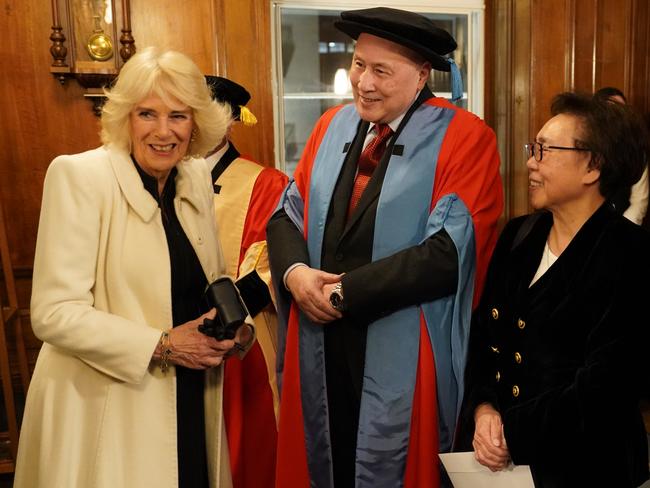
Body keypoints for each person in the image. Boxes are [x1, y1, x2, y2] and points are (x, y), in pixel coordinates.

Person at [266, 7, 503, 488]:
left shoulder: (463, 136)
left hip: (399, 342)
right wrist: (294, 274)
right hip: (322, 343)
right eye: (358, 65)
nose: (363, 83)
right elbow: (285, 214)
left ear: (420, 75)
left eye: (381, 71)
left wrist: (341, 294)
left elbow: (448, 252)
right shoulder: (331, 127)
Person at [14, 47, 254, 488]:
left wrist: (232, 325)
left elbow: (211, 276)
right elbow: (54, 313)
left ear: (197, 123)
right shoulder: (80, 177)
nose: (163, 131)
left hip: (188, 397)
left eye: (178, 116)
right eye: (148, 114)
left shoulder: (194, 175)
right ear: (125, 118)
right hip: (107, 408)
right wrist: (162, 345)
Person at [460, 92, 650, 487]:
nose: (530, 161)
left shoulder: (631, 254)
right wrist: (483, 410)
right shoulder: (518, 236)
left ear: (593, 167)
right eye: (534, 148)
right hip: (501, 468)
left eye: (544, 150)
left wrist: (512, 431)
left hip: (586, 468)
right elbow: (482, 337)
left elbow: (607, 386)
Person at [205, 76, 288, 488]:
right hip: (166, 334)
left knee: (244, 452)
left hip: (240, 335)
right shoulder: (158, 177)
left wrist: (222, 316)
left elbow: (271, 264)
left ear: (226, 121)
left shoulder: (265, 183)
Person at [594, 86, 649, 224]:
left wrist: (620, 233)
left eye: (621, 110)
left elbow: (639, 202)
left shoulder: (635, 150)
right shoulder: (582, 146)